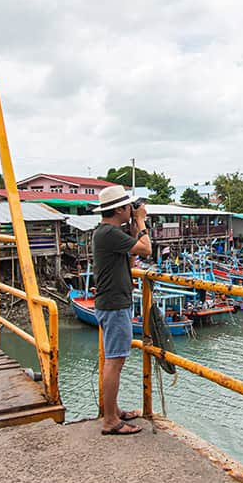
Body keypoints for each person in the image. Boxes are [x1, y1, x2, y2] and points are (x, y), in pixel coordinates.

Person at [92, 186, 152, 435]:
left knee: (113, 360)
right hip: (115, 304)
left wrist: (134, 227)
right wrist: (141, 222)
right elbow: (146, 249)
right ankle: (109, 421)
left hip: (114, 302)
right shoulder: (108, 233)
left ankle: (113, 411)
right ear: (119, 209)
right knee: (115, 362)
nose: (131, 210)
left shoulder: (108, 233)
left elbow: (132, 257)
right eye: (128, 207)